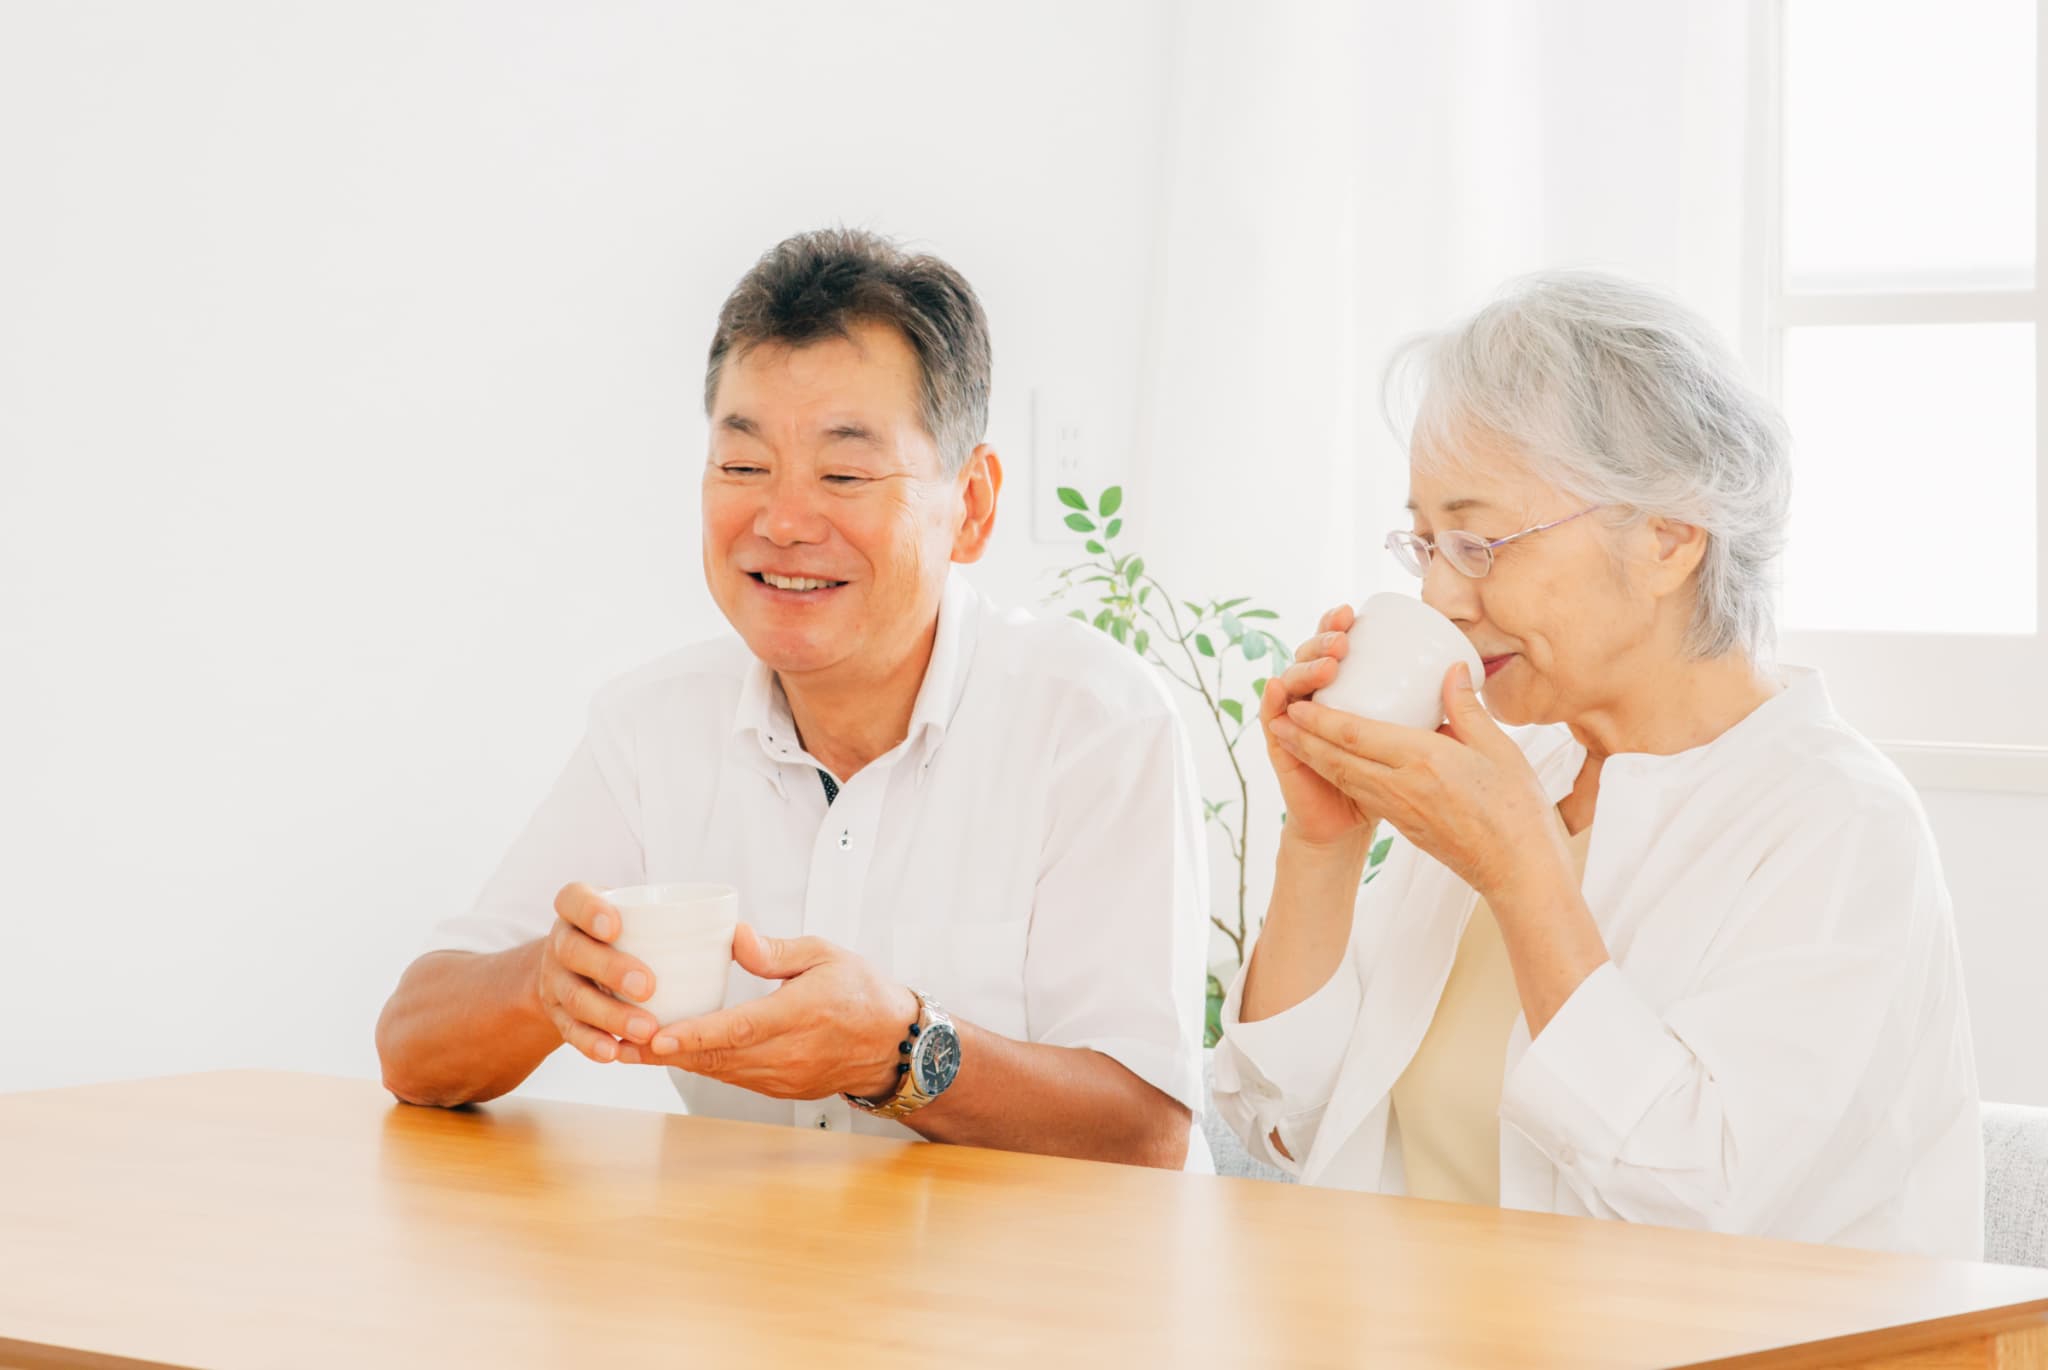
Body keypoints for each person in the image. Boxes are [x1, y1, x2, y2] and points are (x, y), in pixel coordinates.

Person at [377, 227, 1207, 1169]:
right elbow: (413, 1045)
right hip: (758, 1288)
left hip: (1039, 1300)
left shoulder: (1095, 724)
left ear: (970, 506)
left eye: (844, 474)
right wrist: (543, 984)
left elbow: (1148, 1134)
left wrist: (901, 1052)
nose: (780, 522)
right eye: (742, 467)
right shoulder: (654, 728)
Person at [1214, 271, 1981, 1254]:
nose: (1441, 595)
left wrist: (1521, 874)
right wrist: (1321, 841)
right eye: (1422, 544)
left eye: (1477, 542)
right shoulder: (1511, 769)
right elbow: (1288, 1124)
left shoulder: (1837, 824)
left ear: (1667, 539)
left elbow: (1694, 1203)